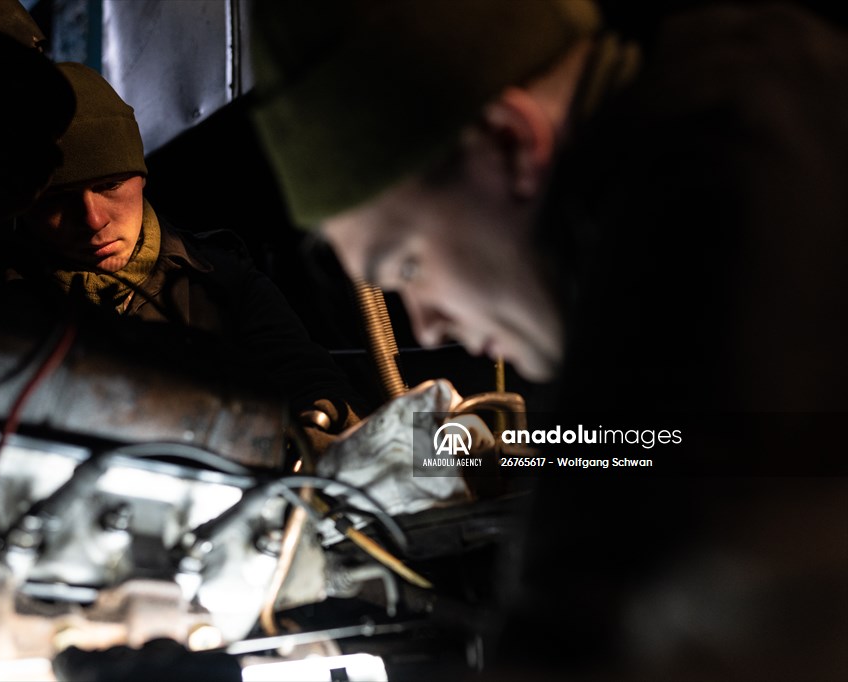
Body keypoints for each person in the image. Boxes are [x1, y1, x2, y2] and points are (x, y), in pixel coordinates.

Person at [248, 0, 848, 680]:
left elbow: (604, 605)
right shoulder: (760, 78)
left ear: (509, 143)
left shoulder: (713, 215)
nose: (425, 326)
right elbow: (644, 447)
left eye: (407, 265)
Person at [11, 62, 365, 453]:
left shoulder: (224, 283)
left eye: (109, 184)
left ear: (141, 177)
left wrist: (308, 434)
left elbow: (311, 382)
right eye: (58, 200)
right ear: (25, 207)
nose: (93, 219)